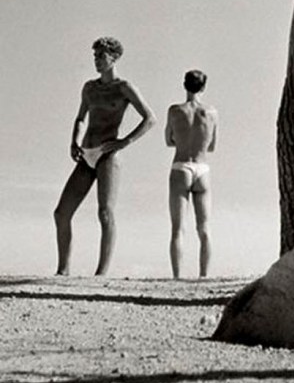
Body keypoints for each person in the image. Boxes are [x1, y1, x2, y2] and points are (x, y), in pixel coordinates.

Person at [54, 36, 156, 276]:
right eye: (95, 56)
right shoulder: (89, 88)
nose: (96, 61)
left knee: (105, 212)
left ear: (114, 57)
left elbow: (150, 118)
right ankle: (63, 270)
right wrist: (74, 141)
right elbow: (80, 118)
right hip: (86, 152)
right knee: (61, 212)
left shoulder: (124, 87)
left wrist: (125, 141)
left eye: (101, 56)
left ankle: (101, 273)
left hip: (108, 155)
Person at [165, 70, 218, 278]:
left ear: (184, 85)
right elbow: (212, 145)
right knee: (204, 228)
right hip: (202, 167)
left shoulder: (175, 110)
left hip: (180, 165)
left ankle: (177, 276)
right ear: (203, 87)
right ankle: (204, 275)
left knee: (178, 228)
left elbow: (168, 140)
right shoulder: (212, 112)